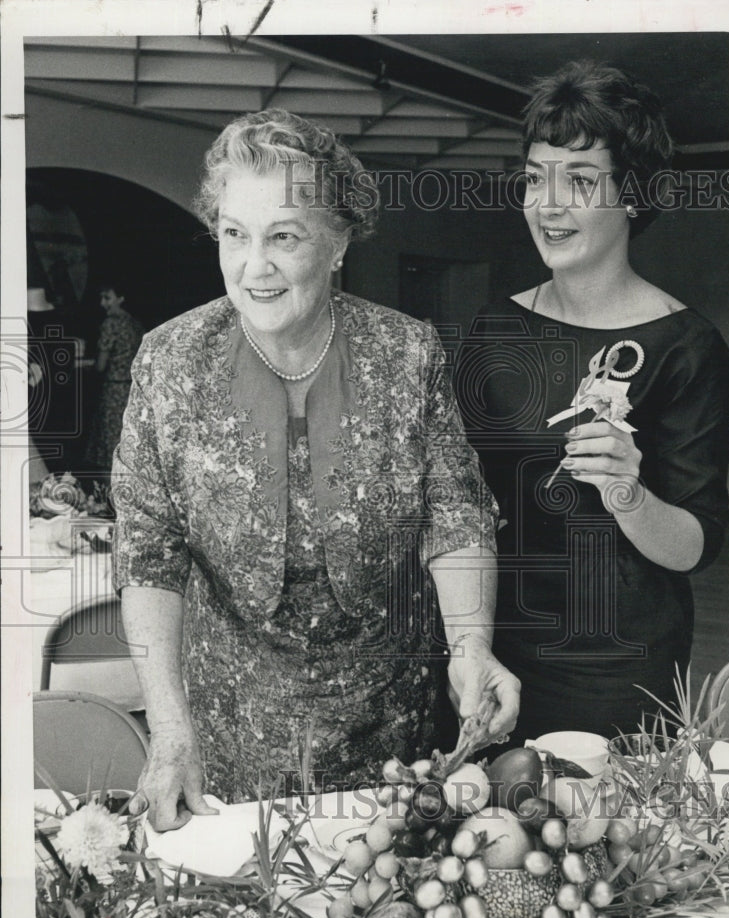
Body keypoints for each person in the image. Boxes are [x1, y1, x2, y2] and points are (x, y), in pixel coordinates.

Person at [113, 109, 521, 830]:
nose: (253, 266)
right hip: (227, 742)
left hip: (392, 736)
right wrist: (171, 728)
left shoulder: (406, 354)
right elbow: (149, 552)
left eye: (284, 237)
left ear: (336, 244)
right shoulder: (171, 361)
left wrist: (472, 647)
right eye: (234, 234)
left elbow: (453, 513)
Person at [457, 61, 729, 746]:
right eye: (534, 178)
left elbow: (696, 546)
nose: (548, 206)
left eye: (578, 181)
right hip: (495, 653)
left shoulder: (684, 345)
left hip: (619, 670)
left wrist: (624, 491)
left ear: (632, 196)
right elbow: (455, 508)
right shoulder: (494, 330)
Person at [84, 281, 144, 473]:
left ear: (121, 299)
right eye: (101, 298)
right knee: (128, 441)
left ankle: (108, 495)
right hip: (133, 391)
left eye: (107, 298)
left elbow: (101, 365)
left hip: (113, 390)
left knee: (109, 446)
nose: (103, 303)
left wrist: (87, 366)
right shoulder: (136, 325)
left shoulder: (110, 324)